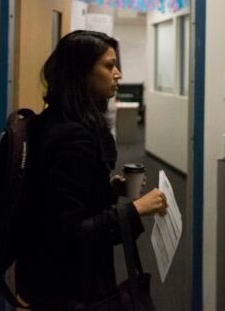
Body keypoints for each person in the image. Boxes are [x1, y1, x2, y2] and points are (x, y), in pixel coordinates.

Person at [16, 30, 168, 310]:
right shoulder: (73, 138)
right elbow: (67, 232)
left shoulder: (52, 120)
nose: (118, 74)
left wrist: (110, 190)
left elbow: (59, 201)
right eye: (109, 66)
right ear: (81, 73)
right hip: (67, 287)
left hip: (44, 276)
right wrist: (135, 210)